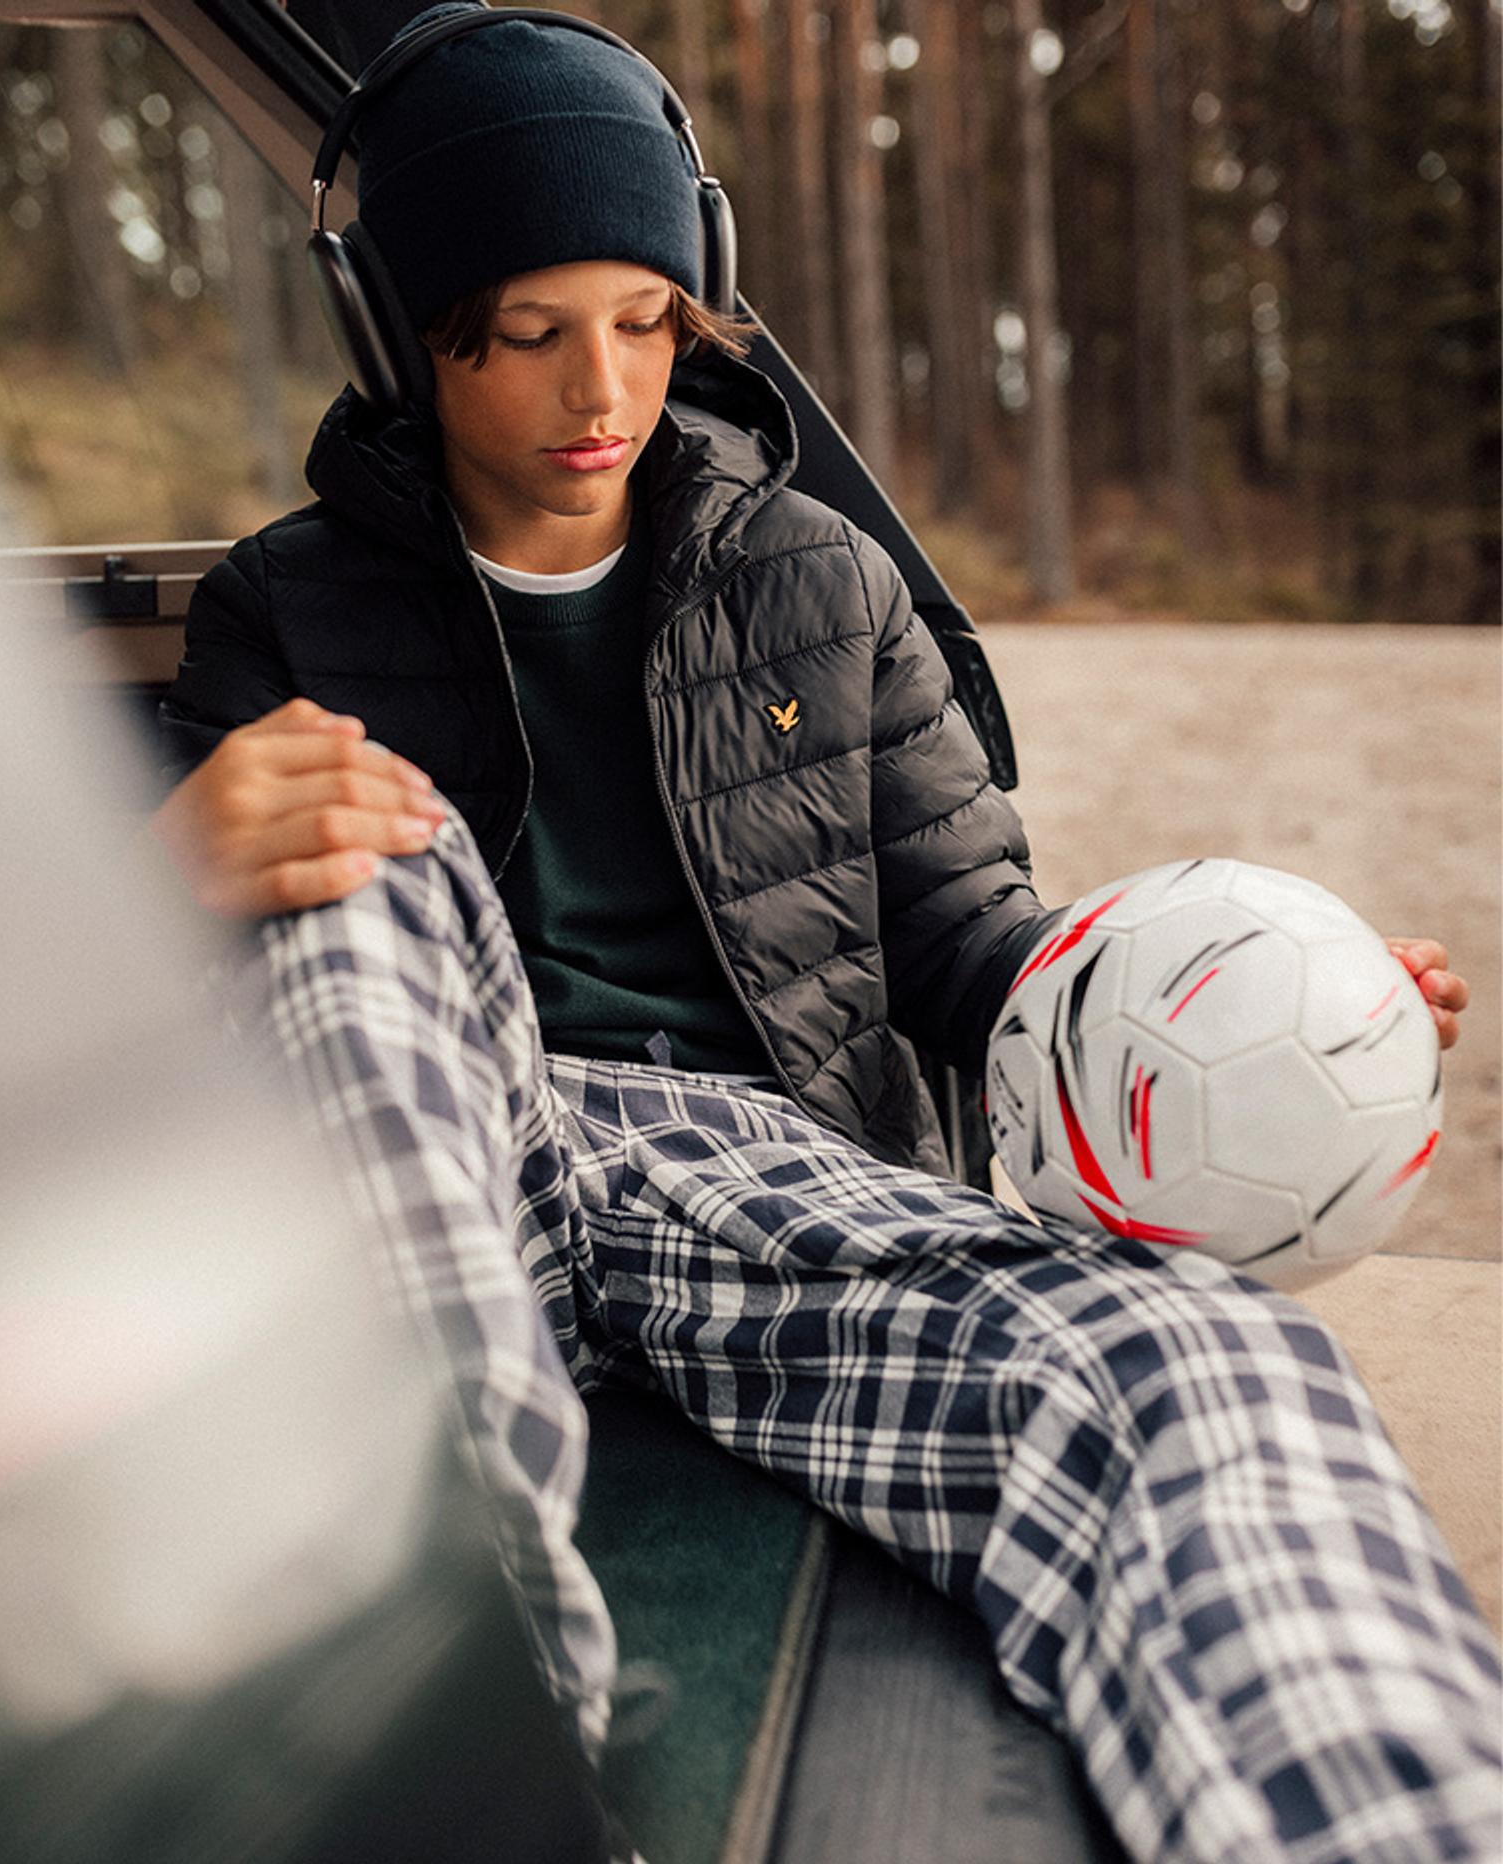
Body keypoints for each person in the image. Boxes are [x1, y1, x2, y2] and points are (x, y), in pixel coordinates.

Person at [153, 5, 1497, 1857]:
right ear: (404, 334)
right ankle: (485, 1773)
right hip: (424, 1154)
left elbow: (971, 945)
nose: (601, 390)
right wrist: (172, 857)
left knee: (1208, 1363)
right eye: (530, 334)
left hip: (755, 1179)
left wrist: (1254, 1006)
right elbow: (158, 1017)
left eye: (643, 321)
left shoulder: (818, 577)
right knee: (359, 864)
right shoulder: (280, 609)